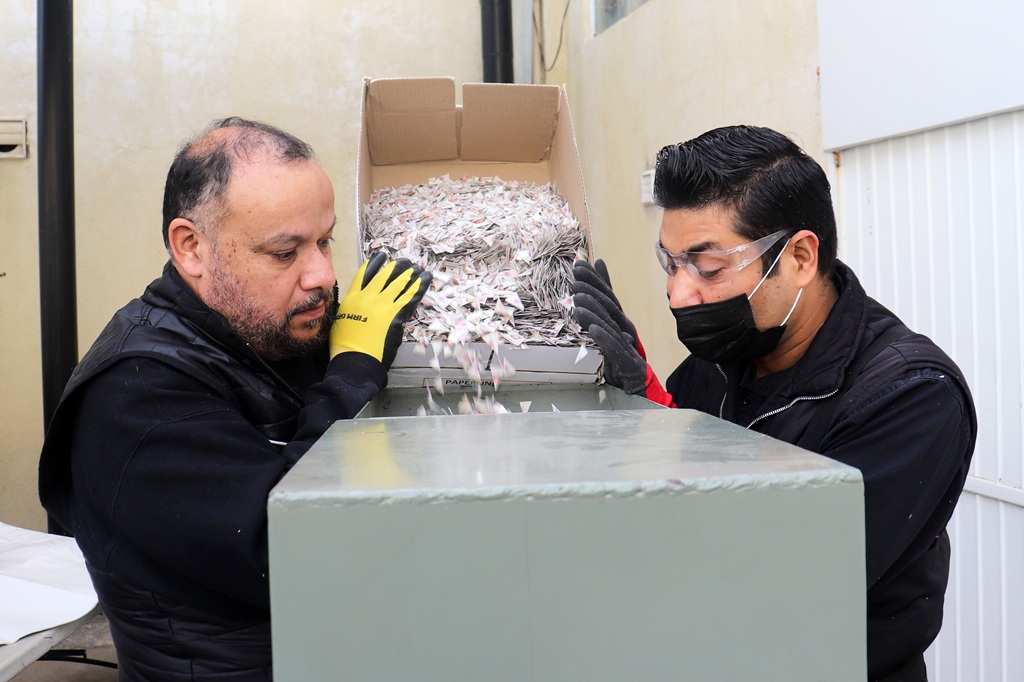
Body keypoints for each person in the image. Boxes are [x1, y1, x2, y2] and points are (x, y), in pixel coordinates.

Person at [572, 125, 976, 682]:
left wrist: (652, 432)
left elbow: (780, 587)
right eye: (670, 263)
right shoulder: (717, 364)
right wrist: (633, 409)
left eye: (707, 267)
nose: (678, 294)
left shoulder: (909, 396)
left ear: (801, 256)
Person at [38, 117, 431, 681]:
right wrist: (351, 377)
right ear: (192, 247)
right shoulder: (138, 395)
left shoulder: (272, 329)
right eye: (284, 252)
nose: (322, 273)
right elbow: (297, 546)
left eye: (325, 241)